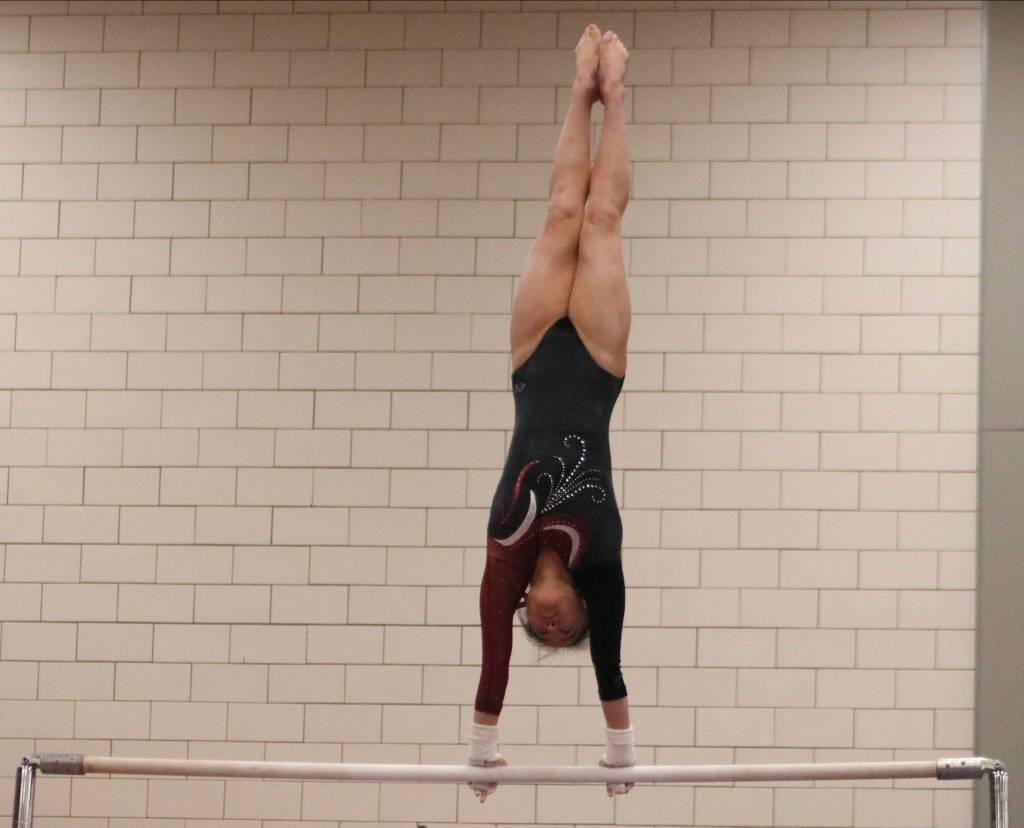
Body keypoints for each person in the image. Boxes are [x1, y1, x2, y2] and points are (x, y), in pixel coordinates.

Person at [465, 25, 634, 803]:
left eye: (545, 629)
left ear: (533, 608)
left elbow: (493, 659)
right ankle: (616, 94)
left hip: (533, 358)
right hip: (598, 367)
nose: (553, 628)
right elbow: (613, 664)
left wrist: (482, 752)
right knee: (599, 221)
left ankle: (578, 88)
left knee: (562, 208)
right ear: (581, 609)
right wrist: (620, 754)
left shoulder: (505, 560)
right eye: (569, 632)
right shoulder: (601, 560)